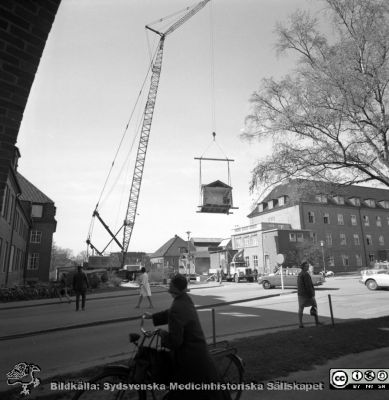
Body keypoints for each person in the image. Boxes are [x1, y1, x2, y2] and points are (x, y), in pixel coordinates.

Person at [144, 274, 230, 400]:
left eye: (170, 286)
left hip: (190, 360)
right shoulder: (185, 299)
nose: (169, 289)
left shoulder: (177, 306)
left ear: (174, 289)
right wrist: (153, 316)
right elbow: (171, 313)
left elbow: (175, 342)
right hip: (199, 354)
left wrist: (162, 334)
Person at [297, 261, 322, 328]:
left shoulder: (300, 274)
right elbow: (308, 285)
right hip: (307, 294)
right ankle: (317, 322)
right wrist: (311, 294)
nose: (308, 267)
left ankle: (300, 324)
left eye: (308, 266)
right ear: (303, 267)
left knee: (301, 308)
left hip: (300, 294)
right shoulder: (306, 274)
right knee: (314, 305)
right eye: (306, 266)